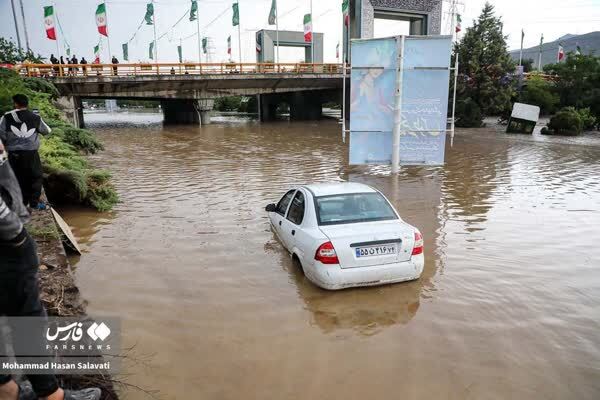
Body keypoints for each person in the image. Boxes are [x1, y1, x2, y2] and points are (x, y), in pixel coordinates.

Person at [0, 140, 102, 400]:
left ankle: (7, 389)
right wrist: (16, 234)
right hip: (6, 243)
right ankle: (50, 395)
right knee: (27, 320)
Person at [0, 94, 51, 210]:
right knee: (35, 177)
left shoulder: (6, 117)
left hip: (13, 153)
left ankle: (17, 203)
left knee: (16, 177)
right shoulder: (35, 117)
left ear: (15, 104)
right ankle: (33, 203)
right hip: (31, 153)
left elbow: (1, 133)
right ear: (27, 104)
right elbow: (47, 131)